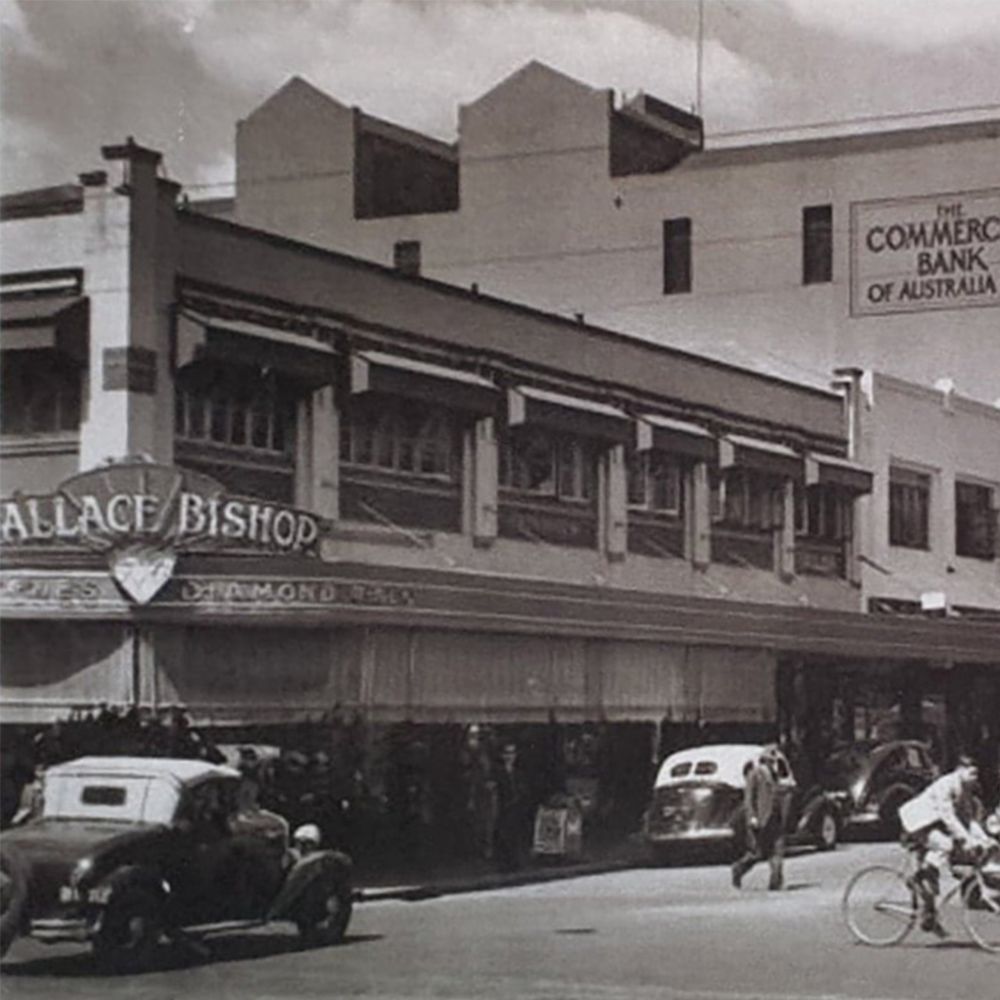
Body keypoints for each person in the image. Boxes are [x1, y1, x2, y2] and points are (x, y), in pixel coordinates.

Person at [899, 754, 994, 937]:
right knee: (947, 845)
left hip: (935, 824)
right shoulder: (946, 784)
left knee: (931, 884)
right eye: (972, 773)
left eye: (977, 774)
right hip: (919, 823)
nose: (975, 777)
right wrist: (966, 839)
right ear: (960, 770)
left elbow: (968, 820)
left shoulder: (966, 790)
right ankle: (918, 875)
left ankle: (929, 918)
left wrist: (984, 838)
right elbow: (948, 817)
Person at [731, 746, 790, 891]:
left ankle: (775, 883)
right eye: (770, 760)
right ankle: (738, 869)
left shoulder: (774, 775)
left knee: (778, 851)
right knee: (757, 853)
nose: (772, 763)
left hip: (775, 819)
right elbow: (749, 798)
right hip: (761, 819)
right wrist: (752, 816)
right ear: (763, 760)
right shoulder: (755, 775)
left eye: (773, 760)